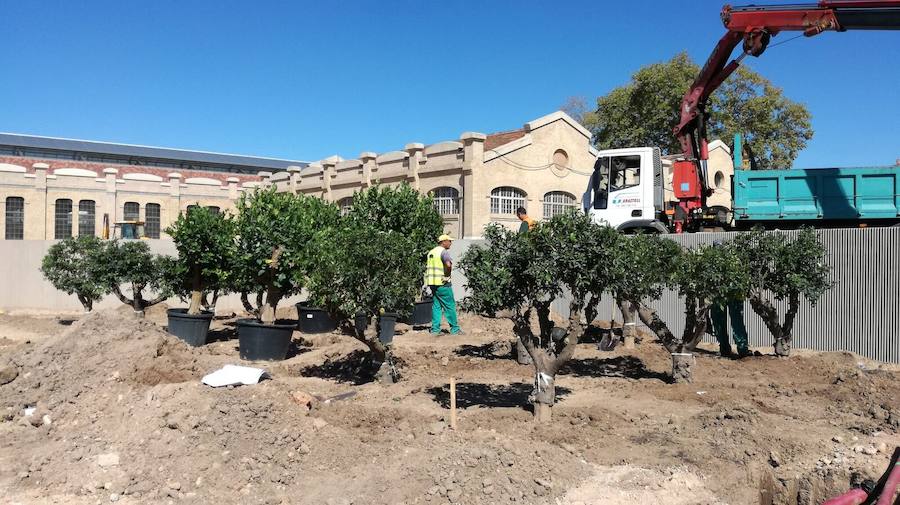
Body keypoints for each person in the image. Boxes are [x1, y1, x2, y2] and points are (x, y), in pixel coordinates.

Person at [709, 241, 750, 358]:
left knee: (725, 322)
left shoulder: (713, 262)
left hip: (727, 295)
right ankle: (737, 349)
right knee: (728, 321)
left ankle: (734, 349)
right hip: (728, 295)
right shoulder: (733, 260)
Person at [426, 234, 462, 335]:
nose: (451, 243)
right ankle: (455, 329)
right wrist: (447, 275)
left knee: (436, 306)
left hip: (432, 283)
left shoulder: (431, 252)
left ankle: (435, 330)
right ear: (444, 242)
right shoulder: (443, 252)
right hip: (443, 283)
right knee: (449, 305)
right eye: (449, 241)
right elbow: (448, 264)